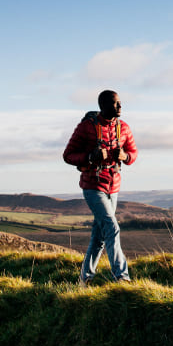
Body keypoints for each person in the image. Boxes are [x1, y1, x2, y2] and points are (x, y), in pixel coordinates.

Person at [63, 89, 138, 284]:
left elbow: (133, 153)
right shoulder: (85, 128)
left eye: (120, 102)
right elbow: (68, 155)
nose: (120, 106)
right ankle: (121, 276)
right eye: (115, 103)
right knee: (112, 228)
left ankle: (85, 279)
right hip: (92, 186)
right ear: (103, 105)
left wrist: (125, 157)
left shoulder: (124, 128)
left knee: (100, 237)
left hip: (113, 187)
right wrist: (90, 157)